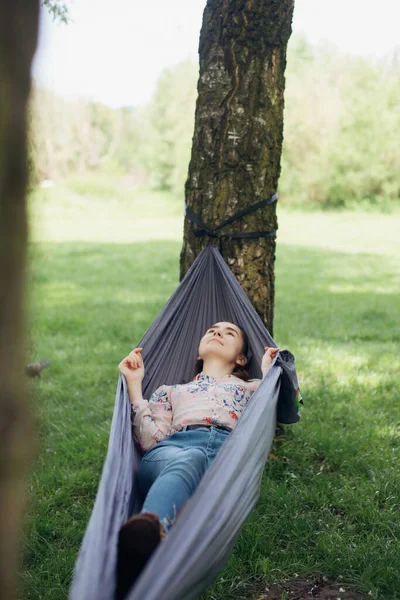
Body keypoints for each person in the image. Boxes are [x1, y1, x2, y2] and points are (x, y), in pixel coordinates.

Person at [115, 321, 279, 599]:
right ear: (198, 354)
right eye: (212, 330)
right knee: (190, 459)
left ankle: (156, 550)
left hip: (225, 459)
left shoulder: (253, 389)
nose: (217, 333)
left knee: (197, 504)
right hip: (170, 453)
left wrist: (271, 373)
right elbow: (150, 440)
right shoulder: (170, 391)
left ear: (241, 358)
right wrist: (134, 384)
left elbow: (292, 406)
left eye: (229, 333)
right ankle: (149, 535)